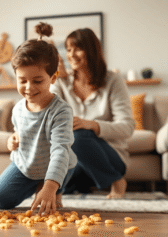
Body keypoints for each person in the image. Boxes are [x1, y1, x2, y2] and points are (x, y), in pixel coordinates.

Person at [0, 22, 77, 216]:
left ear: (53, 78)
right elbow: (20, 132)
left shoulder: (61, 111)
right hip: (26, 165)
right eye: (22, 81)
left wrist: (50, 187)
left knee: (65, 164)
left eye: (37, 81)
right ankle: (38, 185)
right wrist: (13, 139)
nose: (29, 87)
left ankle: (54, 187)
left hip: (56, 163)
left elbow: (60, 150)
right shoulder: (18, 108)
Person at [50, 28, 135, 198]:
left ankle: (116, 180)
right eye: (68, 49)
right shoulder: (62, 82)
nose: (71, 54)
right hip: (75, 160)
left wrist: (93, 125)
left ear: (92, 51)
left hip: (110, 157)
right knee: (62, 187)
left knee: (78, 134)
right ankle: (86, 182)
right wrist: (54, 79)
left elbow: (127, 127)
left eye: (77, 48)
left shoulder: (113, 80)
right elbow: (48, 116)